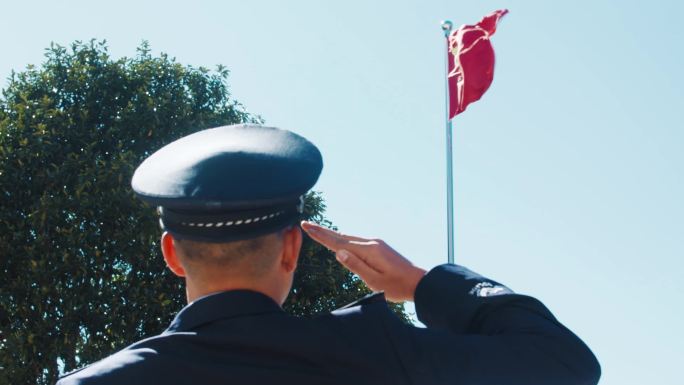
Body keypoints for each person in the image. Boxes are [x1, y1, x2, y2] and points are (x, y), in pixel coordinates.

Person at [57, 124, 601, 385]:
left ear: (172, 253)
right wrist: (421, 283)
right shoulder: (382, 356)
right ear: (292, 248)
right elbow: (566, 364)